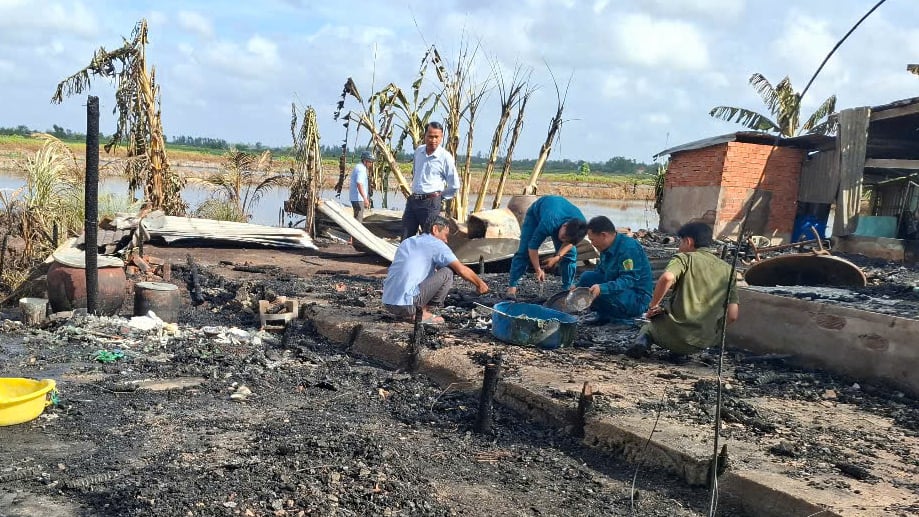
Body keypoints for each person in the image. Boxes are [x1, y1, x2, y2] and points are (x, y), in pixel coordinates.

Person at [630, 222, 739, 357]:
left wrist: (653, 305)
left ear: (688, 241)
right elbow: (733, 315)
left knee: (648, 327)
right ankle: (678, 355)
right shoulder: (729, 270)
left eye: (680, 243)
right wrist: (713, 330)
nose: (679, 248)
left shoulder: (684, 258)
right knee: (683, 335)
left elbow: (667, 278)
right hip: (703, 342)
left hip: (674, 337)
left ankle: (641, 344)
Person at [383, 215, 489, 324]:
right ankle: (421, 313)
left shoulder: (408, 242)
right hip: (408, 304)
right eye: (445, 235)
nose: (446, 240)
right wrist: (480, 284)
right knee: (447, 272)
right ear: (435, 229)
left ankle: (411, 313)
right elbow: (461, 270)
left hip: (389, 302)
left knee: (437, 271)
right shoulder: (436, 244)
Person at [505, 195, 587, 299]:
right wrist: (538, 269)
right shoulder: (549, 223)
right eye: (563, 237)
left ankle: (567, 287)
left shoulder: (581, 227)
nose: (563, 240)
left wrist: (557, 257)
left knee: (570, 255)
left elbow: (571, 243)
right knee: (523, 252)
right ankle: (512, 287)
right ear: (564, 226)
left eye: (566, 239)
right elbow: (532, 247)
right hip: (536, 215)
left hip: (558, 212)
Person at [577, 216, 653, 325]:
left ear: (603, 235)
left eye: (592, 240)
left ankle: (622, 318)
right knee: (586, 278)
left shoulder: (628, 248)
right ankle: (604, 315)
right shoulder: (605, 247)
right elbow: (600, 271)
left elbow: (628, 281)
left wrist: (602, 288)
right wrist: (578, 286)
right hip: (619, 289)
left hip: (636, 297)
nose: (592, 243)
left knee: (602, 290)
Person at [402, 121, 461, 240]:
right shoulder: (419, 151)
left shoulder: (445, 157)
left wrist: (439, 197)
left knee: (429, 239)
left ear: (441, 137)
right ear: (425, 136)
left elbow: (454, 185)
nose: (433, 140)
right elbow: (415, 173)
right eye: (430, 136)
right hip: (414, 200)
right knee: (406, 238)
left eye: (436, 137)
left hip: (431, 203)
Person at [349, 150, 374, 221]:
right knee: (358, 220)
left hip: (356, 198)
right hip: (358, 199)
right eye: (370, 162)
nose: (371, 164)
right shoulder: (361, 169)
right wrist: (365, 198)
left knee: (358, 217)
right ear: (365, 161)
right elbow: (359, 184)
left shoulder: (359, 167)